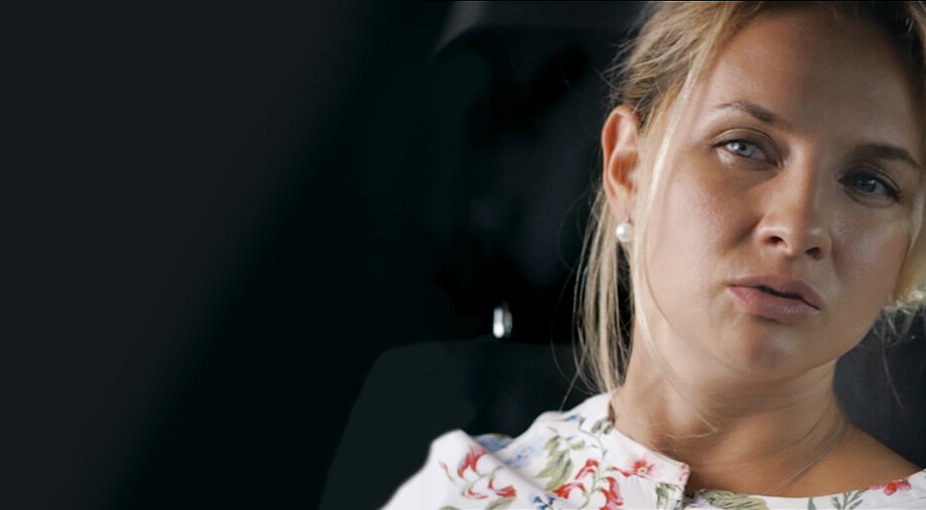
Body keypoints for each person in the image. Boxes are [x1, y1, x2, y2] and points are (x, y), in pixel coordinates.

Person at [382, 2, 926, 508]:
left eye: (870, 182)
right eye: (743, 147)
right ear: (627, 168)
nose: (798, 228)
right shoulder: (461, 490)